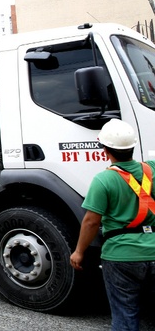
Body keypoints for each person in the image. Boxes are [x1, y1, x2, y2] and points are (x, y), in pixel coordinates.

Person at [71, 118, 155, 330]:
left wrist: (79, 252)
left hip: (120, 255)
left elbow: (91, 222)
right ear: (133, 147)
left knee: (125, 315)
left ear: (104, 150)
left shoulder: (103, 180)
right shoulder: (151, 171)